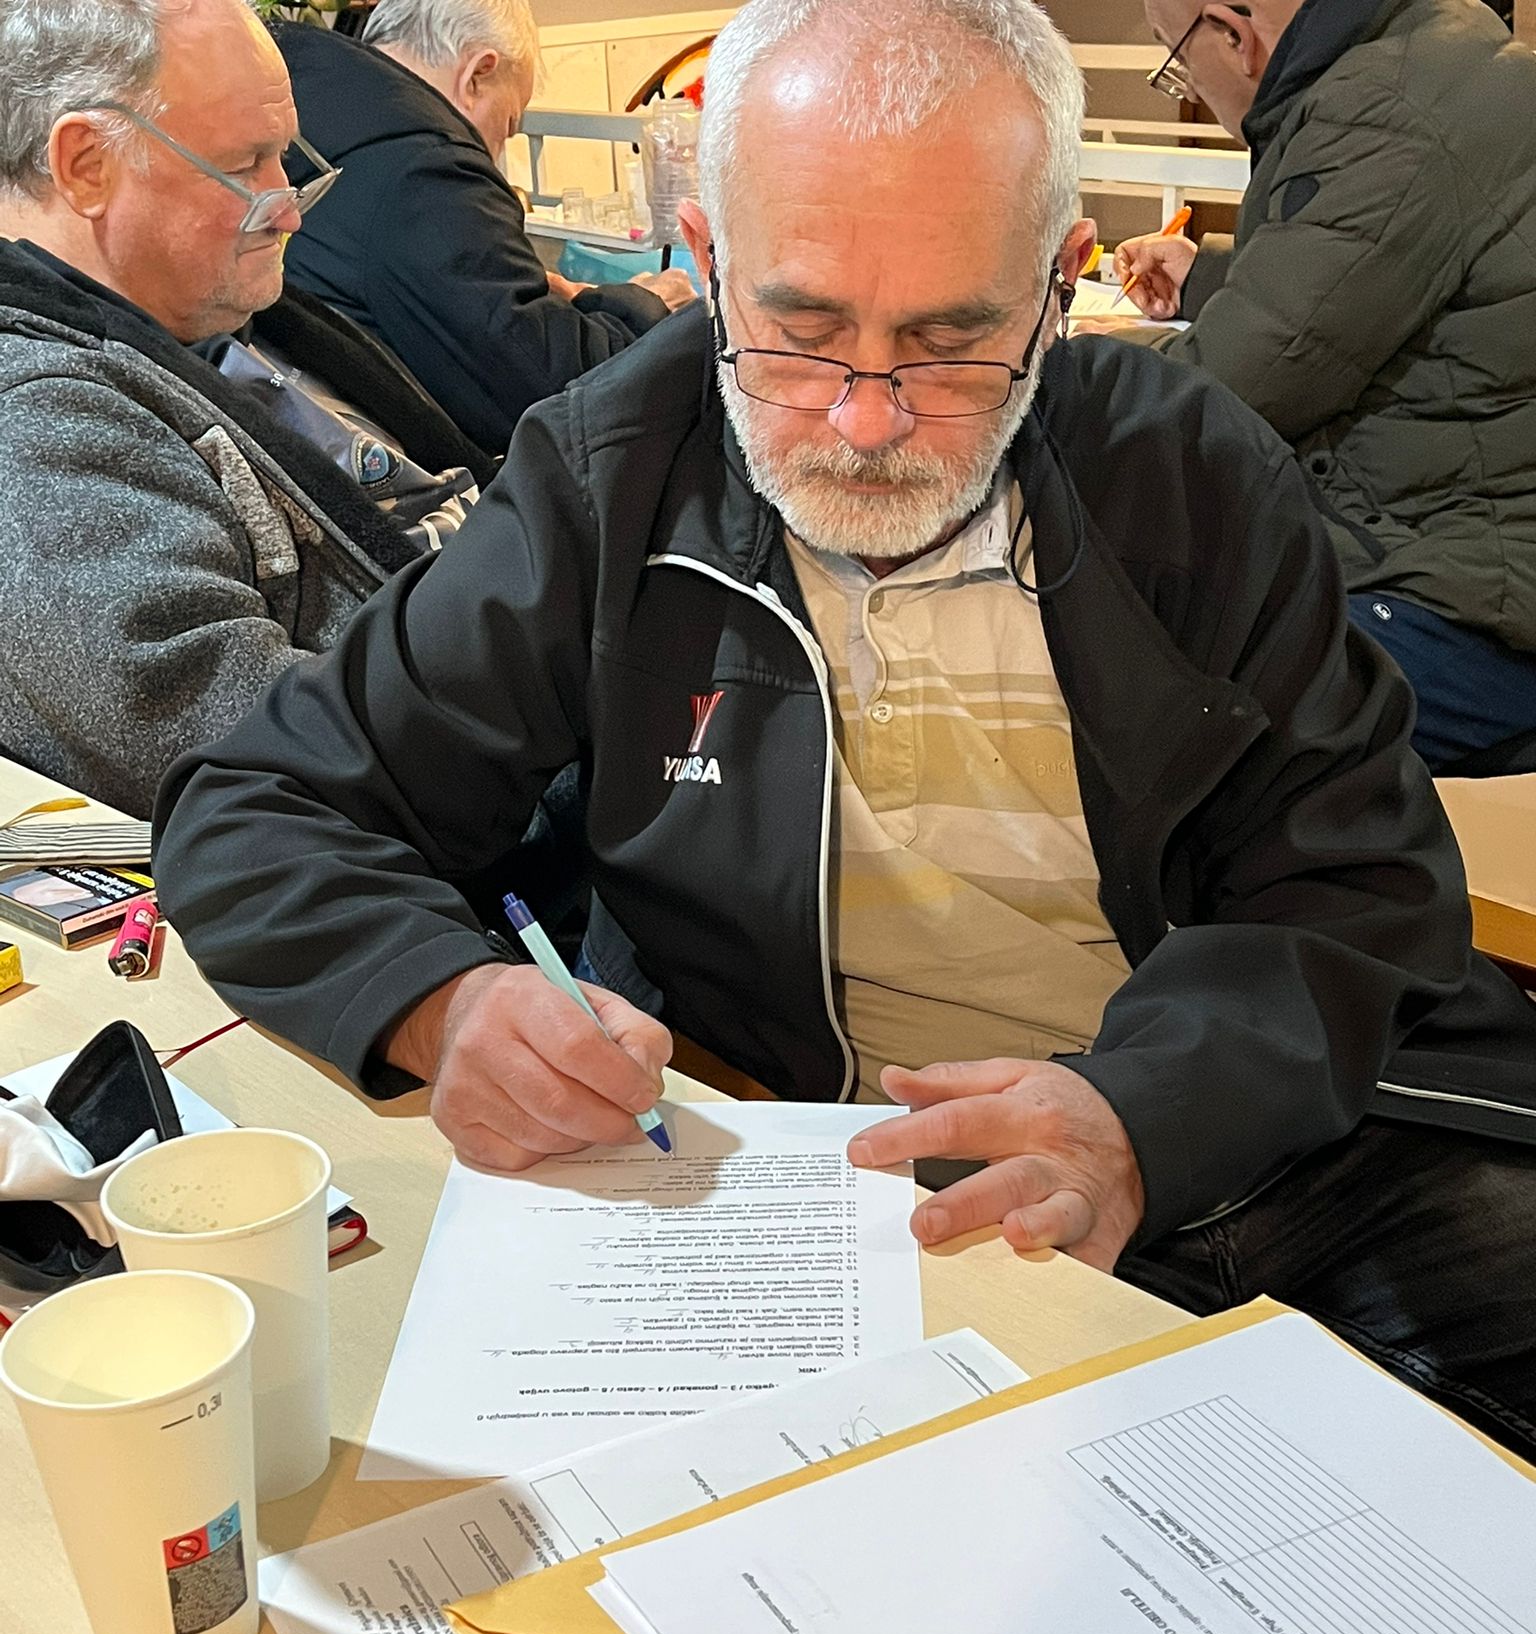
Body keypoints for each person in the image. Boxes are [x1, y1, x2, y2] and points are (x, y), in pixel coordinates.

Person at [156, 0, 1536, 1458]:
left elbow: (1359, 886)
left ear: (1059, 283)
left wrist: (1140, 1113)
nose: (866, 424)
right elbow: (263, 807)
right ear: (705, 265)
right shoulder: (611, 477)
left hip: (1271, 1134)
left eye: (952, 342)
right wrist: (448, 1006)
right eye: (801, 335)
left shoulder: (1189, 472)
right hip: (848, 1199)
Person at [0, 0, 489, 817]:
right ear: (85, 166)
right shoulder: (37, 426)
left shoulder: (216, 307)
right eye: (245, 164)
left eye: (284, 155)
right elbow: (255, 744)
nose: (289, 207)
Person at [1096, 0, 1536, 771]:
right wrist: (1213, 280)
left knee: (1150, 708)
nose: (1187, 81)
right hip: (1468, 555)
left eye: (1177, 60)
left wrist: (1034, 370)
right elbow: (1370, 283)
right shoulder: (1436, 47)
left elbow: (1235, 389)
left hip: (1469, 605)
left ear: (1232, 33)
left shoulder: (1383, 109)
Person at [275, 0, 697, 462]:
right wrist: (646, 308)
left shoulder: (309, 107)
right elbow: (552, 394)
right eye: (509, 125)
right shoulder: (427, 175)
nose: (496, 152)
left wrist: (548, 300)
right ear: (478, 74)